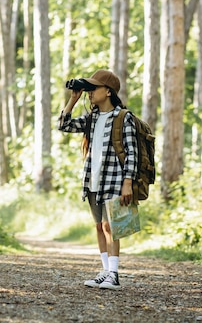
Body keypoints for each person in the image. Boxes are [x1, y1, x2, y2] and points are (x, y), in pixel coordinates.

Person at [58, 69, 138, 290]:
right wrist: (73, 99)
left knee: (111, 226)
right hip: (93, 180)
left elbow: (132, 152)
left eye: (94, 88)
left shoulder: (123, 117)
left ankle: (114, 274)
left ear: (109, 92)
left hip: (114, 179)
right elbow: (64, 125)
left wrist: (128, 183)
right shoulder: (92, 118)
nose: (90, 92)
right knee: (98, 226)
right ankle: (104, 271)